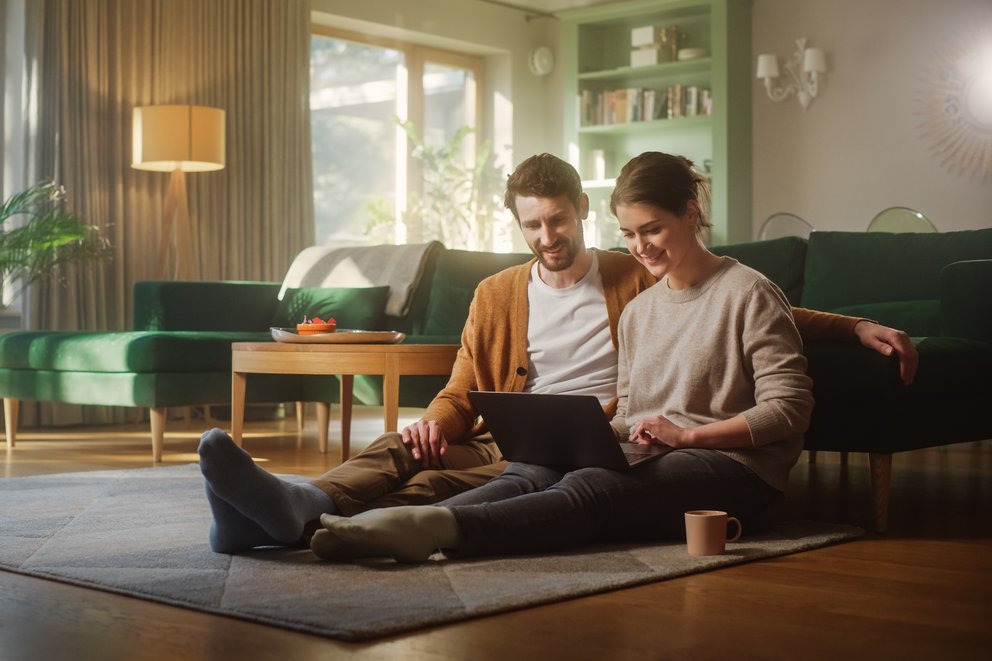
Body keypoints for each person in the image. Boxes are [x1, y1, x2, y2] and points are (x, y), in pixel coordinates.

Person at [198, 153, 918, 554]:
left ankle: (335, 529)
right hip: (521, 435)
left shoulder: (637, 279)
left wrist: (853, 324)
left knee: (492, 488)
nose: (548, 236)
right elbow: (462, 387)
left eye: (559, 220)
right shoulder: (505, 294)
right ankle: (295, 505)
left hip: (606, 437)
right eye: (533, 225)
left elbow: (753, 311)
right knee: (405, 450)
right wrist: (436, 424)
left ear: (580, 212)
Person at [309, 151, 815, 562]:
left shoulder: (749, 291)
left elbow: (789, 410)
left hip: (734, 466)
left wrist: (687, 435)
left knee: (591, 484)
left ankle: (438, 529)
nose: (642, 248)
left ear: (690, 213)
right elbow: (635, 408)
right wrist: (593, 434)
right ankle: (379, 523)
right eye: (630, 235)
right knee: (534, 472)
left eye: (653, 230)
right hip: (660, 452)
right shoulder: (640, 311)